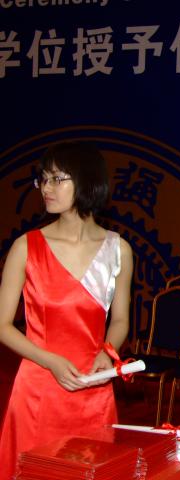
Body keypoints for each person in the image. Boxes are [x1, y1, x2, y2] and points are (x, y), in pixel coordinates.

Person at [0, 141, 134, 479]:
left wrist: (108, 350)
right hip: (38, 390)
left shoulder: (118, 250)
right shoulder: (26, 247)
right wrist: (50, 361)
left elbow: (120, 320)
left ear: (88, 182)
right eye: (43, 179)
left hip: (92, 388)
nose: (46, 188)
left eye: (57, 179)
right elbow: (2, 325)